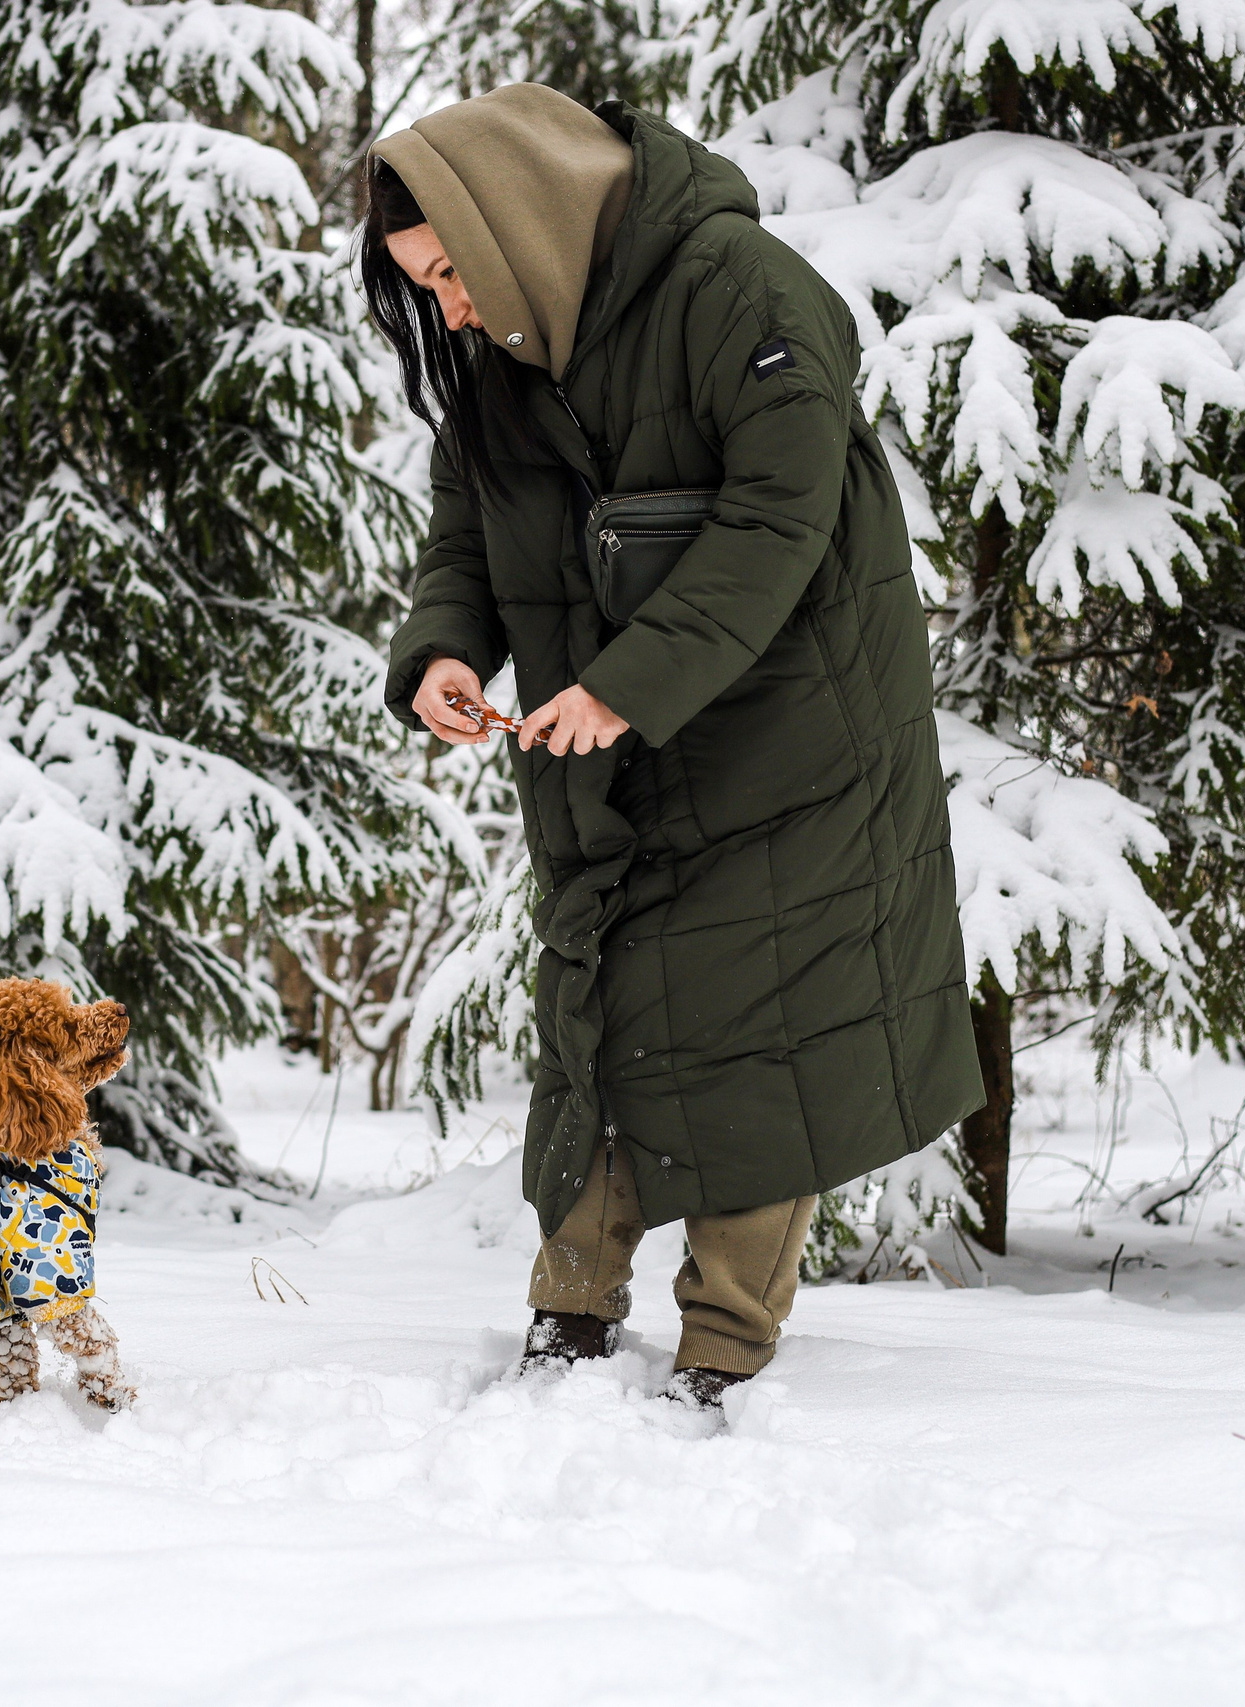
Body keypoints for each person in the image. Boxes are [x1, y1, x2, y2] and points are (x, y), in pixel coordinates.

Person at [365, 84, 986, 1407]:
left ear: (516, 219)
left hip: (794, 735)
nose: (451, 311)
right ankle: (570, 1314)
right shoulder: (509, 354)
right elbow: (470, 531)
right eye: (426, 290)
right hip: (611, 743)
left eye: (451, 275)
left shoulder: (740, 288)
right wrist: (445, 652)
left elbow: (781, 515)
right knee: (599, 1010)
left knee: (761, 1028)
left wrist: (626, 685)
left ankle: (724, 1352)